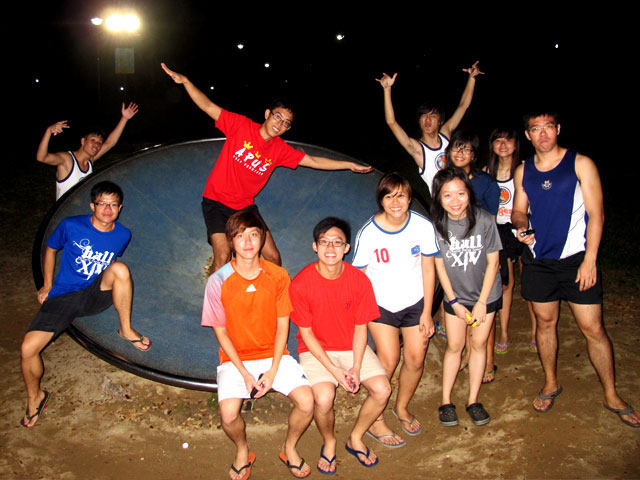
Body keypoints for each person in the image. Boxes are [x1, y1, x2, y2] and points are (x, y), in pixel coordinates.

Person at [161, 63, 372, 273]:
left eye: (286, 123)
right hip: (215, 201)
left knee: (273, 258)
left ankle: (263, 290)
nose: (279, 124)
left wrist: (348, 165)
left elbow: (314, 161)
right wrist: (186, 82)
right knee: (223, 256)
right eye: (277, 116)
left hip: (244, 207)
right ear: (267, 114)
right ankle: (216, 294)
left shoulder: (280, 150)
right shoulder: (240, 126)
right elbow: (208, 106)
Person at [512, 111, 640, 428]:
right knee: (545, 324)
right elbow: (518, 210)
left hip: (576, 260)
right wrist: (521, 226)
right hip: (538, 260)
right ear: (528, 135)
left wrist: (590, 259)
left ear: (558, 129)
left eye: (548, 127)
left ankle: (611, 394)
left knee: (593, 328)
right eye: (535, 129)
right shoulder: (523, 170)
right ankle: (550, 382)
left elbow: (597, 214)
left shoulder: (581, 164)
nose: (542, 134)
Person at [20, 181, 151, 428]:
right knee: (28, 349)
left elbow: (112, 262)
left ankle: (125, 329)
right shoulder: (71, 225)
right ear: (92, 206)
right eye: (102, 204)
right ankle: (34, 397)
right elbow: (50, 249)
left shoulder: (123, 234)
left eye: (113, 205)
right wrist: (47, 285)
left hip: (95, 294)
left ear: (120, 208)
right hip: (64, 296)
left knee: (121, 269)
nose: (108, 209)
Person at [201, 210, 315, 479]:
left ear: (262, 238)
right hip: (235, 359)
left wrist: (273, 371)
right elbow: (221, 333)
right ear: (231, 241)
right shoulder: (218, 281)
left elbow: (283, 327)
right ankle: (243, 450)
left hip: (274, 355)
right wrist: (244, 373)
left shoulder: (278, 275)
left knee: (307, 402)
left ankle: (289, 447)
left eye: (254, 234)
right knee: (229, 415)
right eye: (240, 236)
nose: (248, 242)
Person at [290, 217, 392, 473]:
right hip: (316, 351)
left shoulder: (359, 280)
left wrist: (356, 366)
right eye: (324, 242)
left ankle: (356, 437)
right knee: (324, 398)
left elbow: (361, 327)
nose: (330, 248)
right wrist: (335, 371)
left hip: (351, 346)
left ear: (347, 248)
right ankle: (329, 440)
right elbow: (306, 334)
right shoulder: (301, 283)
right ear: (315, 246)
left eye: (337, 242)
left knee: (382, 390)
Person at [352, 173, 438, 443]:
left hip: (415, 302)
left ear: (409, 197)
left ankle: (401, 407)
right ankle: (376, 418)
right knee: (388, 359)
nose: (395, 202)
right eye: (389, 196)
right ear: (381, 200)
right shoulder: (369, 232)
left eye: (401, 195)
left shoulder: (422, 226)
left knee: (416, 357)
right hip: (381, 305)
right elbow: (359, 277)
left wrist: (427, 312)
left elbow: (428, 268)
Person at [430, 167, 502, 427]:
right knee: (454, 346)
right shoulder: (436, 226)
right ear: (439, 197)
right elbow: (439, 266)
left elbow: (493, 263)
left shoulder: (484, 220)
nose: (455, 200)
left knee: (479, 344)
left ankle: (473, 400)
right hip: (456, 296)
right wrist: (453, 302)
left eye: (460, 193)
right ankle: (446, 401)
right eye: (447, 195)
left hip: (486, 294)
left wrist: (482, 303)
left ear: (469, 193)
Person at [376, 61, 483, 195]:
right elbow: (391, 122)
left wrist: (472, 78)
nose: (427, 120)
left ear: (440, 121)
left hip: (463, 195)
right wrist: (387, 90)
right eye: (424, 116)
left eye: (432, 116)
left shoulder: (445, 134)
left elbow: (463, 106)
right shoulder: (418, 149)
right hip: (442, 203)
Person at [485, 127, 537, 365]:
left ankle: (536, 330)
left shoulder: (526, 169)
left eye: (508, 140)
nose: (503, 145)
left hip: (525, 227)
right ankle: (504, 333)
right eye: (498, 140)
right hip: (500, 231)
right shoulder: (487, 171)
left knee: (531, 281)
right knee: (506, 283)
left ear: (516, 144)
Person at [36, 103, 140, 200]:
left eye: (99, 142)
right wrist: (48, 131)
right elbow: (42, 157)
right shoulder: (67, 159)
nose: (97, 145)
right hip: (67, 212)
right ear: (83, 141)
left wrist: (124, 118)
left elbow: (109, 143)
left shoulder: (90, 160)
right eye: (93, 140)